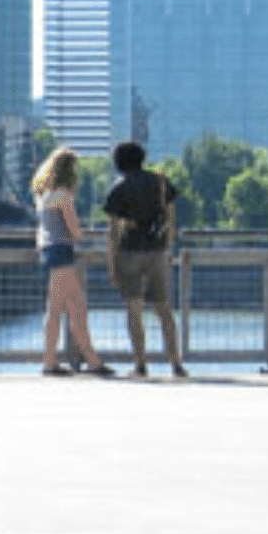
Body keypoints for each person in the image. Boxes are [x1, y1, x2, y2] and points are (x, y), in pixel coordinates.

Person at [103, 141, 188, 378]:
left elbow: (112, 233)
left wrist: (111, 265)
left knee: (133, 310)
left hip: (130, 252)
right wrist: (167, 246)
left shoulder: (118, 189)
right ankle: (176, 363)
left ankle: (141, 364)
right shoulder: (160, 182)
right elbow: (172, 219)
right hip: (157, 252)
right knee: (164, 310)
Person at [31, 147, 111, 376]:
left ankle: (88, 359)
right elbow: (75, 230)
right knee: (63, 309)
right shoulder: (64, 195)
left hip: (48, 249)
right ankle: (54, 362)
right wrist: (83, 233)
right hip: (62, 250)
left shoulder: (43, 194)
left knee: (71, 309)